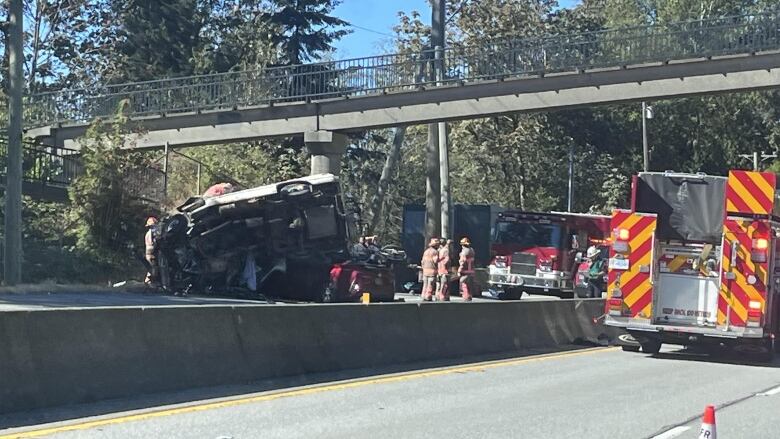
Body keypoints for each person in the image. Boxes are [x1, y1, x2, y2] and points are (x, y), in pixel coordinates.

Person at [458, 237, 476, 301]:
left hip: (465, 272)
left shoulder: (464, 252)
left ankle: (466, 296)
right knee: (469, 285)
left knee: (463, 283)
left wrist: (459, 270)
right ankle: (469, 296)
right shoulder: (472, 250)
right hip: (471, 272)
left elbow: (462, 262)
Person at [144, 216, 159, 285]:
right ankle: (151, 282)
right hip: (151, 252)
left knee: (151, 268)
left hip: (148, 251)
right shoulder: (152, 233)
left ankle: (148, 281)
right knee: (154, 267)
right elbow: (153, 243)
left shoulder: (148, 233)